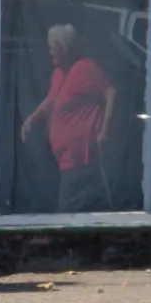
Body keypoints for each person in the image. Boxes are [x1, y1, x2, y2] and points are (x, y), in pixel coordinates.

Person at [20, 23, 117, 213]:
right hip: (63, 157)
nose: (50, 52)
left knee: (68, 208)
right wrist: (32, 118)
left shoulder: (85, 68)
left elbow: (110, 92)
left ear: (67, 48)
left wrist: (105, 129)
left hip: (80, 156)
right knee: (77, 207)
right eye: (50, 48)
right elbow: (51, 100)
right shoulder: (58, 73)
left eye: (54, 48)